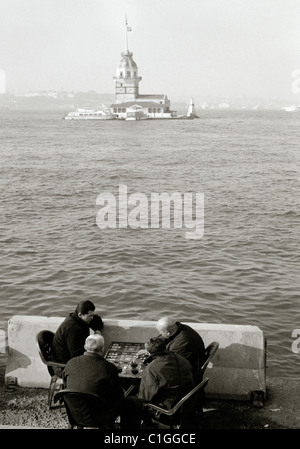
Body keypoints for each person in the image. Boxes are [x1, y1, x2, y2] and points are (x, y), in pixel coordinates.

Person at [120, 337, 194, 429]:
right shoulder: (182, 359)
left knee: (128, 401)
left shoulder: (152, 368)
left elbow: (145, 397)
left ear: (149, 352)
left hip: (168, 410)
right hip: (186, 404)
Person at [63, 334, 124, 428]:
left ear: (84, 347)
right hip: (100, 416)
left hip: (75, 413)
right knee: (131, 403)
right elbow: (118, 395)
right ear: (102, 349)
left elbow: (65, 385)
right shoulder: (108, 368)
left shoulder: (70, 363)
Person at [52, 300, 103, 371]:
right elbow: (76, 355)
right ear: (80, 315)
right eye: (89, 316)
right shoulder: (72, 328)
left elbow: (97, 320)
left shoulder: (79, 318)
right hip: (63, 366)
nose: (92, 318)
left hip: (73, 358)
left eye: (92, 315)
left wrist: (97, 331)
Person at [156, 317, 206, 383]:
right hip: (189, 362)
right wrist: (154, 344)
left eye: (161, 332)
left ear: (168, 332)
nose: (160, 334)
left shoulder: (180, 345)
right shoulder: (181, 328)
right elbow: (165, 337)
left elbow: (171, 366)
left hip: (185, 375)